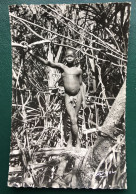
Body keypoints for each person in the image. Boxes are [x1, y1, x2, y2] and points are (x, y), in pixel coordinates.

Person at [29, 48, 86, 149]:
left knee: (74, 119)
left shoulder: (78, 70)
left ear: (75, 58)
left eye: (71, 56)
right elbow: (48, 63)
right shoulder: (62, 67)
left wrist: (84, 99)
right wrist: (32, 53)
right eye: (67, 56)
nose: (69, 58)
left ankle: (74, 141)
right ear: (65, 57)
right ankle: (74, 141)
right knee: (73, 119)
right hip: (68, 96)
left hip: (78, 96)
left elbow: (81, 85)